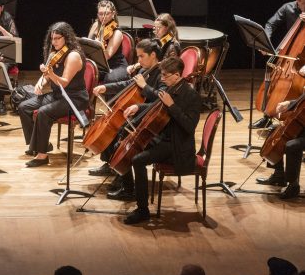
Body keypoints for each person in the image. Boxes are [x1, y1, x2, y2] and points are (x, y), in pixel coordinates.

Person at [121, 55, 202, 225]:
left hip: (177, 146)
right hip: (164, 138)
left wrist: (172, 105)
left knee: (138, 160)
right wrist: (138, 107)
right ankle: (126, 188)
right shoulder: (172, 88)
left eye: (165, 75)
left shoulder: (191, 95)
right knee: (127, 144)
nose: (162, 79)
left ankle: (142, 210)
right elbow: (157, 105)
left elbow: (189, 126)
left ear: (177, 75)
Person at [86, 39, 163, 194]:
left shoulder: (162, 74)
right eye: (138, 56)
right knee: (112, 129)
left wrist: (144, 86)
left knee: (118, 132)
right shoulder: (143, 71)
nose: (138, 60)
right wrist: (105, 88)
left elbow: (160, 99)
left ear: (153, 55)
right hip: (136, 115)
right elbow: (127, 84)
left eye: (141, 56)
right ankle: (112, 167)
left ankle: (122, 178)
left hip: (150, 119)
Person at [18, 22, 88, 168]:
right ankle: (39, 144)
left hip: (74, 98)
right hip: (58, 95)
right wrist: (40, 83)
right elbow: (46, 75)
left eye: (57, 38)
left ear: (66, 38)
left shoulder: (73, 56)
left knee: (43, 112)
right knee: (24, 107)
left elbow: (64, 82)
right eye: (52, 39)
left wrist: (50, 73)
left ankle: (42, 155)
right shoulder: (54, 54)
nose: (54, 42)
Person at [251, 0, 305, 131]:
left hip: (303, 58)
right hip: (290, 53)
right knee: (274, 79)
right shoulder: (288, 8)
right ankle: (267, 116)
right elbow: (270, 24)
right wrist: (265, 42)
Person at [87, 0, 128, 84]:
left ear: (113, 14)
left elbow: (107, 56)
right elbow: (88, 44)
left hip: (116, 66)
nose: (103, 16)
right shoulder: (95, 25)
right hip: (99, 65)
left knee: (109, 79)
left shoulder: (117, 32)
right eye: (100, 14)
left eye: (107, 14)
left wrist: (98, 46)